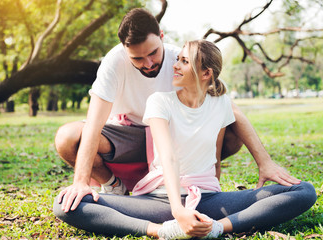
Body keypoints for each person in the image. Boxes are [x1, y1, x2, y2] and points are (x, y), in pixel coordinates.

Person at [53, 39, 316, 239]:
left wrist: (264, 163)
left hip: (208, 200)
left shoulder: (220, 104)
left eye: (183, 61)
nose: (174, 65)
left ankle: (218, 229)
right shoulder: (159, 102)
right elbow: (167, 156)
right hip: (156, 201)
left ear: (206, 74)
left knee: (304, 191)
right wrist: (177, 212)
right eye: (176, 59)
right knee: (65, 206)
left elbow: (216, 156)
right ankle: (161, 231)